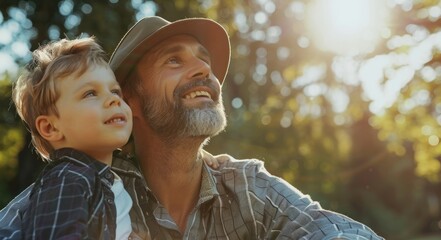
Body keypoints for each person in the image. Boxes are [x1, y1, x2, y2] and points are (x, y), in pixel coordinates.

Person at [1, 16, 384, 239]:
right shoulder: (83, 186)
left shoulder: (247, 186)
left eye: (205, 61)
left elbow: (336, 233)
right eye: (173, 60)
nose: (205, 70)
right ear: (130, 98)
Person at [11, 37, 134, 239]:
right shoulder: (68, 179)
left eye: (115, 91)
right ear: (50, 127)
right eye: (90, 93)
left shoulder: (107, 182)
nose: (114, 99)